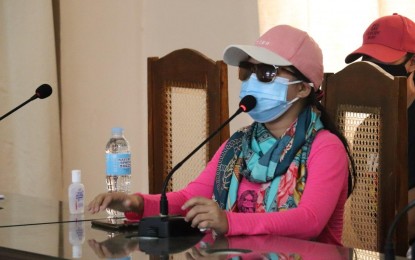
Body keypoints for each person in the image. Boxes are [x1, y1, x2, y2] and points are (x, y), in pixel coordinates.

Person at [88, 25, 356, 246]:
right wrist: (136, 203)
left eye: (265, 73)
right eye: (247, 71)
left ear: (302, 89)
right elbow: (190, 199)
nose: (251, 81)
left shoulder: (325, 147)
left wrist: (229, 221)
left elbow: (309, 221)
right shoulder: (240, 143)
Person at [345, 13, 415, 243]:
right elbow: (361, 208)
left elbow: (403, 223)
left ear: (413, 63)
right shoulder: (368, 126)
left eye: (383, 62)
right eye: (368, 61)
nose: (374, 72)